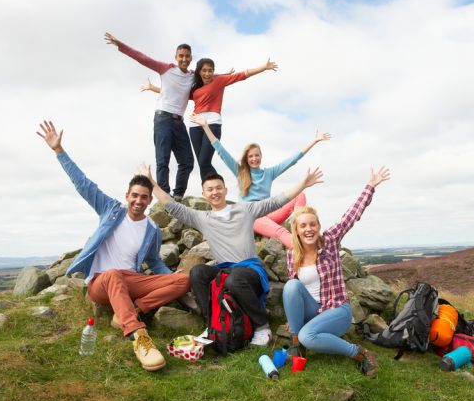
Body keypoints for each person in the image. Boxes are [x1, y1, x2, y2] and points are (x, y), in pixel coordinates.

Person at [36, 120, 190, 372]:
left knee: (184, 281)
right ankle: (139, 337)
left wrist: (170, 277)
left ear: (150, 200)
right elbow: (83, 184)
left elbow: (154, 262)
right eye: (134, 195)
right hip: (101, 283)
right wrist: (59, 151)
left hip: (130, 281)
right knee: (113, 274)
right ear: (127, 195)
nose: (138, 201)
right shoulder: (111, 210)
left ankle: (130, 311)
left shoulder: (152, 229)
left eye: (144, 197)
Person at [138, 163, 323, 346]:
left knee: (233, 279)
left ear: (225, 190)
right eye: (210, 189)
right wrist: (151, 181)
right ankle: (213, 325)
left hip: (250, 271)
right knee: (197, 273)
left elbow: (275, 201)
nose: (215, 192)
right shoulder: (202, 218)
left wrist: (303, 184)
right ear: (204, 194)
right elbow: (172, 206)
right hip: (225, 270)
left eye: (218, 188)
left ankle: (262, 327)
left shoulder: (245, 210)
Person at [283, 166, 391, 378]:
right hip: (313, 310)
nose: (309, 229)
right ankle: (297, 344)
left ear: (318, 226)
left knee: (308, 335)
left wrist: (370, 186)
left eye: (312, 224)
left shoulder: (330, 241)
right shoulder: (292, 254)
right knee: (291, 285)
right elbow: (294, 295)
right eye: (303, 226)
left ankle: (359, 353)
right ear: (296, 230)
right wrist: (293, 319)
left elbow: (351, 216)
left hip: (337, 310)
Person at [189, 114, 330, 249]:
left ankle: (300, 226)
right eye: (251, 156)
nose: (254, 158)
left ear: (261, 156)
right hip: (251, 216)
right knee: (280, 232)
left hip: (268, 212)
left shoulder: (269, 173)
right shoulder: (240, 172)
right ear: (246, 158)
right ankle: (306, 248)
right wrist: (206, 127)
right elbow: (220, 150)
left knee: (300, 195)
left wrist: (313, 141)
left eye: (257, 155)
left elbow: (292, 160)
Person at [143, 57, 277, 181]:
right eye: (204, 70)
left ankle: (219, 186)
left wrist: (263, 67)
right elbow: (174, 94)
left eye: (210, 70)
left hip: (212, 123)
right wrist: (151, 88)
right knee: (202, 164)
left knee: (204, 162)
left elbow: (243, 75)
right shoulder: (195, 87)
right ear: (199, 72)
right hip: (195, 126)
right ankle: (209, 191)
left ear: (214, 71)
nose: (207, 73)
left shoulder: (219, 81)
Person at [104, 32, 195, 200]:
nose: (184, 59)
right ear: (176, 57)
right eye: (181, 56)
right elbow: (142, 58)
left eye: (187, 56)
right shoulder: (166, 69)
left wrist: (227, 76)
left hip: (179, 121)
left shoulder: (192, 76)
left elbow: (210, 78)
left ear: (191, 58)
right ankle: (164, 196)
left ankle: (178, 196)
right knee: (163, 159)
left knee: (187, 161)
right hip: (163, 119)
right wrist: (121, 45)